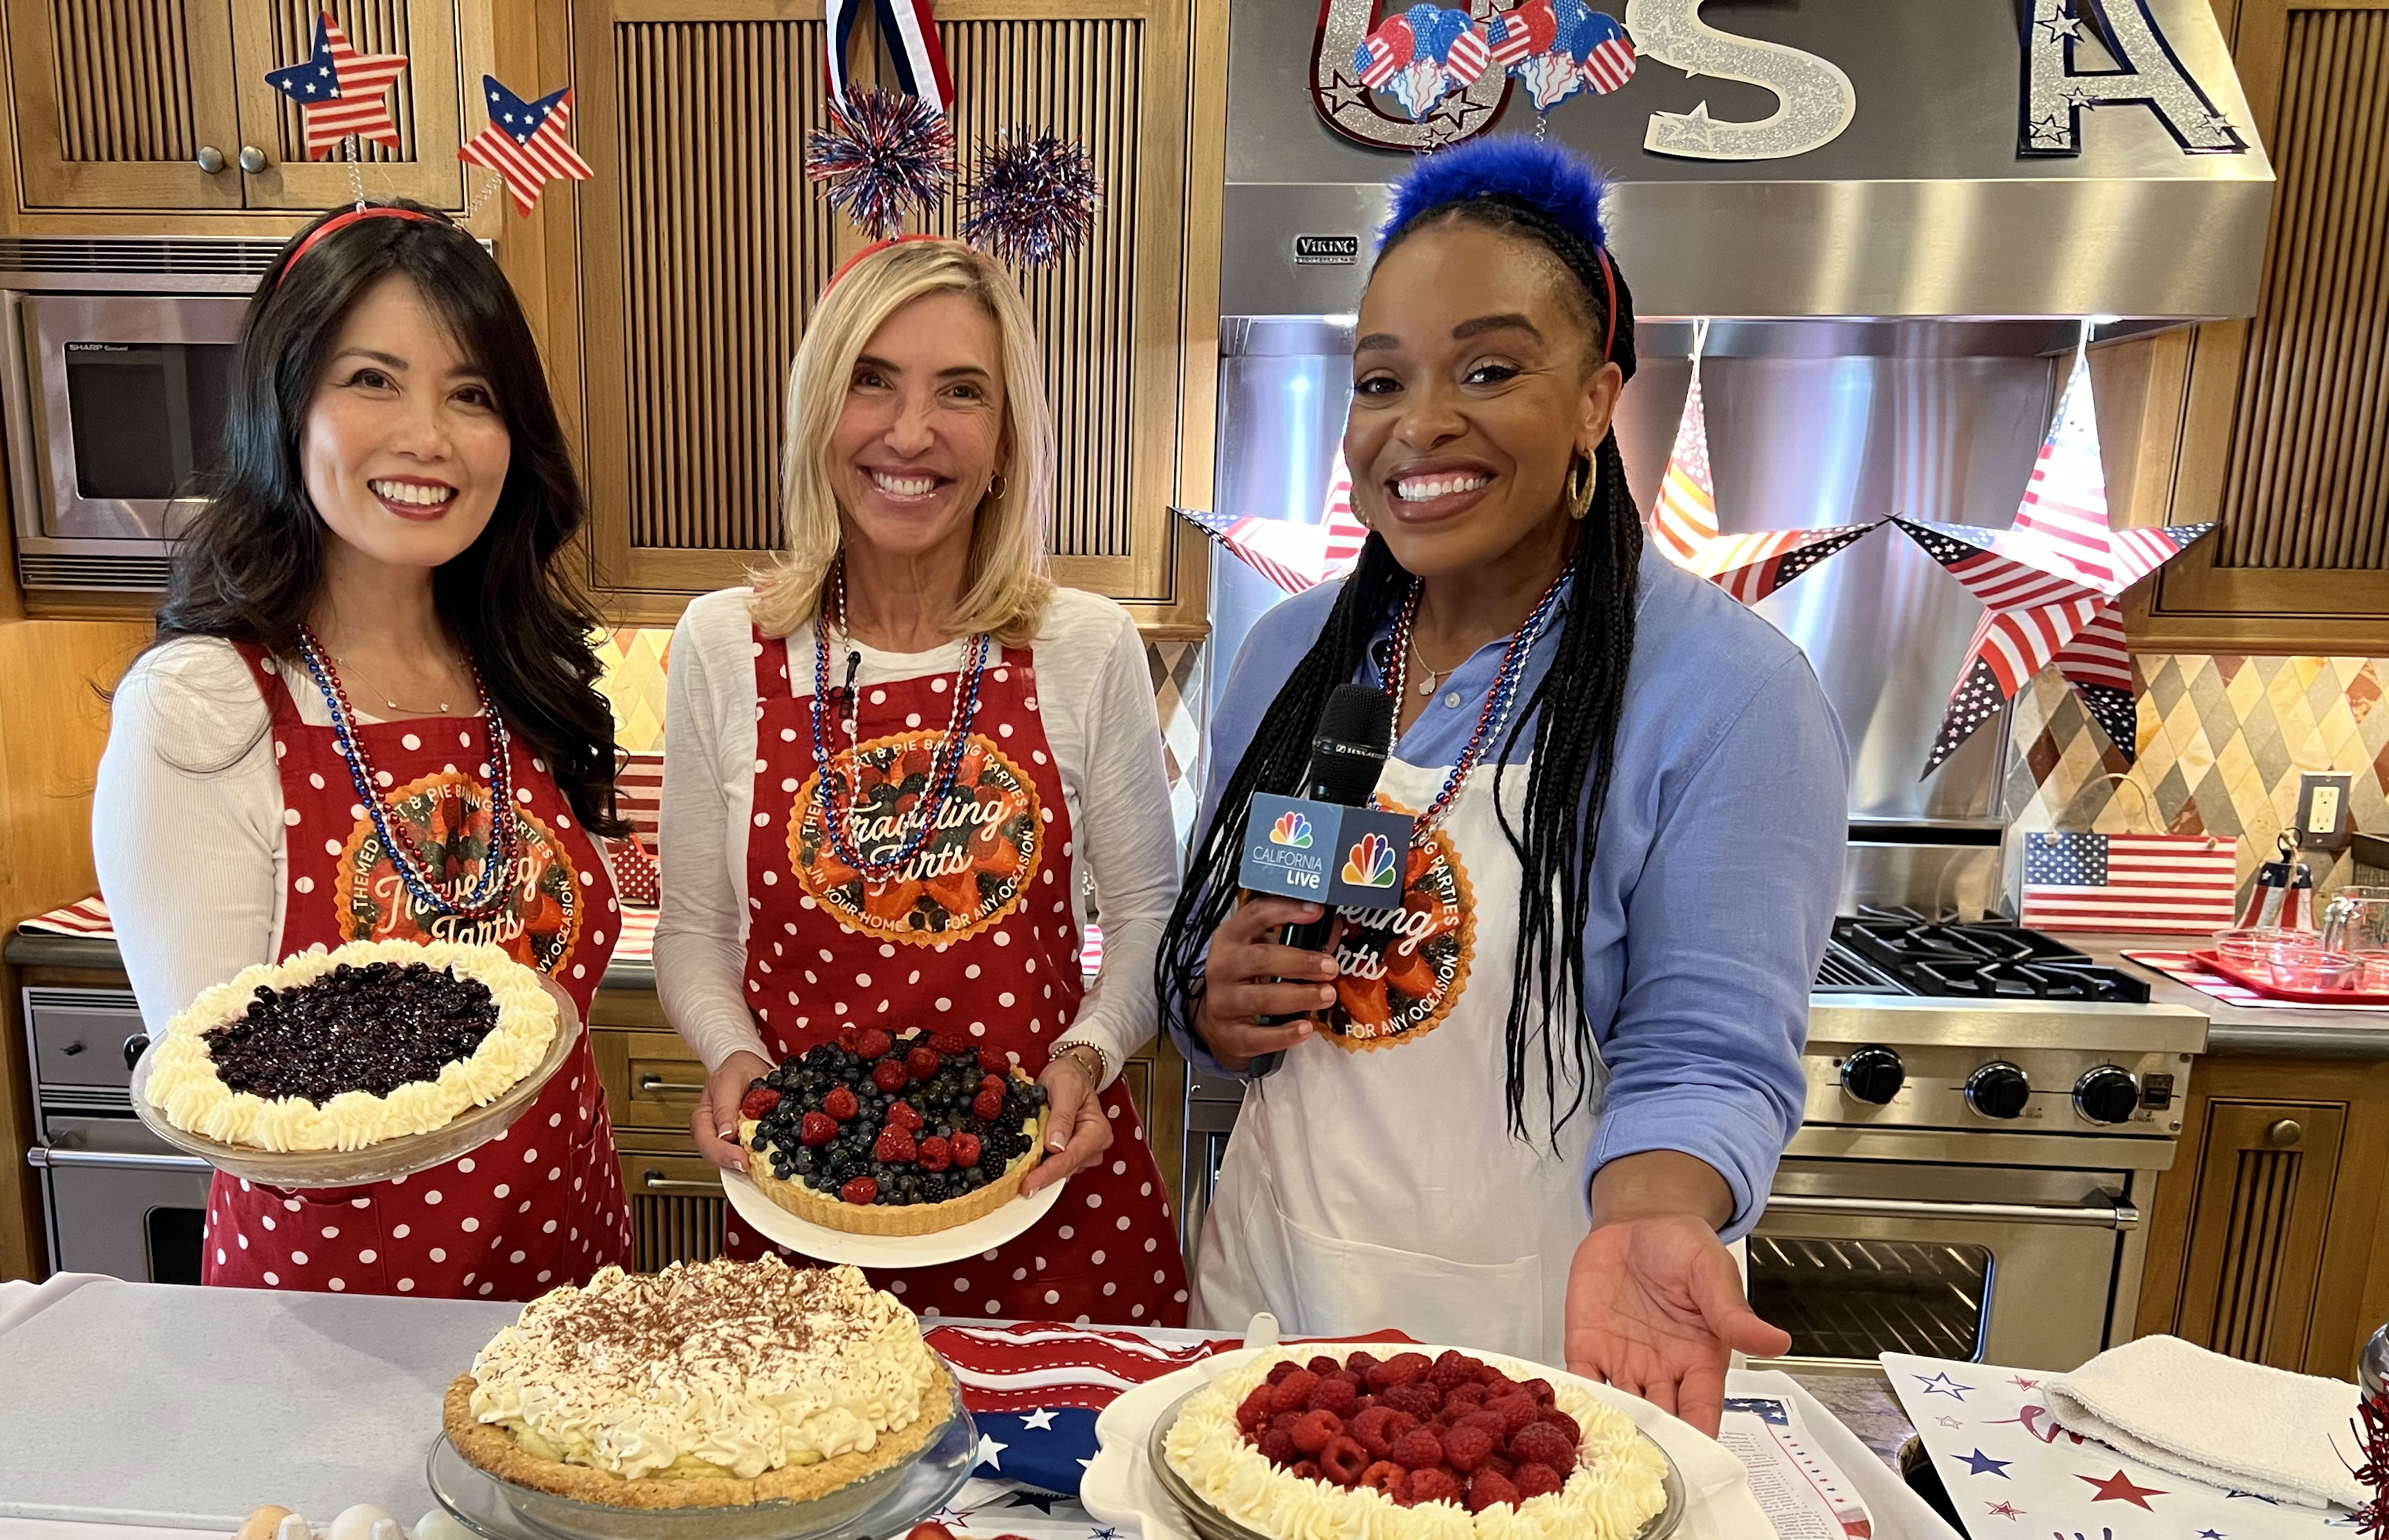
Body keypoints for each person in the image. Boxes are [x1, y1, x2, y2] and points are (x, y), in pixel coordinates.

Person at [1158, 138, 1847, 1429]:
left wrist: (1656, 1216)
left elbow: (1704, 1052)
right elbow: (1213, 954)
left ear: (1594, 400)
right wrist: (1215, 1001)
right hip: (1268, 1304)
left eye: (1488, 370)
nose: (1419, 423)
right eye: (1380, 380)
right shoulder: (1287, 656)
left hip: (1542, 1349)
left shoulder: (1729, 693)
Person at [93, 200, 632, 1299]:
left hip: (568, 1284)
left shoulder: (519, 676)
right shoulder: (205, 705)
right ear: (285, 403)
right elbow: (226, 1090)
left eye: (471, 394)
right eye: (372, 379)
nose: (427, 436)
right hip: (334, 1317)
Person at [654, 238, 1190, 1322]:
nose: (909, 432)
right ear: (819, 416)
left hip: (1049, 1201)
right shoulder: (723, 643)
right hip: (811, 1209)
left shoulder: (1082, 645)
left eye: (960, 390)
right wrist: (735, 1056)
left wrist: (1087, 1054)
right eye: (871, 380)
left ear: (1004, 444)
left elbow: (1147, 913)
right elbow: (693, 932)